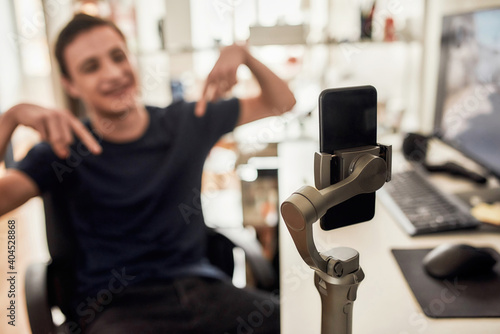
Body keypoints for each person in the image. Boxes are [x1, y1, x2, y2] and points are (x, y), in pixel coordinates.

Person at [0, 13, 295, 334]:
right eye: (91, 66)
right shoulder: (61, 150)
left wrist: (245, 55)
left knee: (301, 322)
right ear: (70, 84)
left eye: (118, 57)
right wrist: (10, 119)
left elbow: (281, 102)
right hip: (114, 309)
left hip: (203, 292)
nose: (113, 73)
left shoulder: (185, 121)